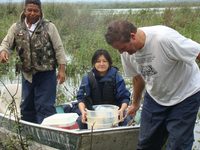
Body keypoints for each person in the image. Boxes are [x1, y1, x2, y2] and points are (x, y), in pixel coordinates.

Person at [105, 20, 200, 150]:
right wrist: (135, 103)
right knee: (146, 143)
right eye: (119, 50)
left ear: (133, 36)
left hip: (185, 94)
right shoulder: (126, 52)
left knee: (178, 145)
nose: (121, 53)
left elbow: (197, 52)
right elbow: (137, 77)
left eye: (123, 48)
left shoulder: (164, 39)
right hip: (156, 96)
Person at [0, 0, 66, 124]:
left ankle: (47, 133)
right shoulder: (16, 27)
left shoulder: (49, 27)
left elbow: (59, 48)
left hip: (46, 74)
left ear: (40, 12)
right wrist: (4, 52)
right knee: (26, 107)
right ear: (24, 11)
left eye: (36, 10)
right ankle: (28, 135)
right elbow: (6, 44)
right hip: (27, 74)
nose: (32, 13)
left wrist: (62, 70)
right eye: (29, 10)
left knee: (45, 106)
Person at [76, 49, 131, 129]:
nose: (101, 64)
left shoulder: (116, 76)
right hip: (94, 115)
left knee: (127, 120)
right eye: (98, 61)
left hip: (114, 115)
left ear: (109, 63)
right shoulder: (87, 77)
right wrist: (83, 112)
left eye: (104, 61)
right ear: (94, 63)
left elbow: (124, 97)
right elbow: (81, 98)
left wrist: (122, 110)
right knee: (79, 121)